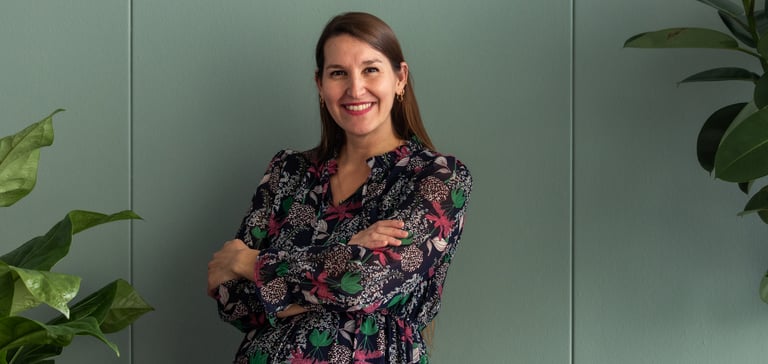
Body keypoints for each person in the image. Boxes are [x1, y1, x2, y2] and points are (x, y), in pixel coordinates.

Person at [207, 11, 472, 364]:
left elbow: (366, 282)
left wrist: (251, 263)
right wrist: (346, 251)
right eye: (338, 73)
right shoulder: (288, 171)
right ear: (320, 84)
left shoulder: (438, 178)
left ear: (400, 78)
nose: (355, 88)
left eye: (371, 69)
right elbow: (232, 299)